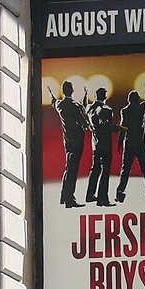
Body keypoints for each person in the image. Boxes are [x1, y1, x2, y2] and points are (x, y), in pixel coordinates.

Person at [51, 80, 90, 208]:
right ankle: (69, 199)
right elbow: (82, 115)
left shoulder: (60, 105)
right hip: (77, 141)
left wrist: (52, 95)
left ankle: (64, 197)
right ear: (72, 90)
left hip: (67, 140)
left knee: (69, 168)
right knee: (73, 169)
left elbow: (54, 101)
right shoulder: (74, 105)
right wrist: (88, 126)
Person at [115, 84, 145, 204]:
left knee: (125, 170)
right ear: (137, 99)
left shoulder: (125, 111)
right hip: (140, 143)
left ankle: (120, 192)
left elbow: (123, 128)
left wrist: (120, 142)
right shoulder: (141, 108)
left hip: (129, 143)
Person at [84, 87, 118, 207]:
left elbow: (85, 106)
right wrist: (118, 128)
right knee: (105, 170)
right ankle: (102, 199)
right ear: (105, 96)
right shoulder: (106, 109)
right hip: (105, 143)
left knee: (95, 169)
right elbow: (105, 126)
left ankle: (90, 195)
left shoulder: (89, 108)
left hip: (95, 143)